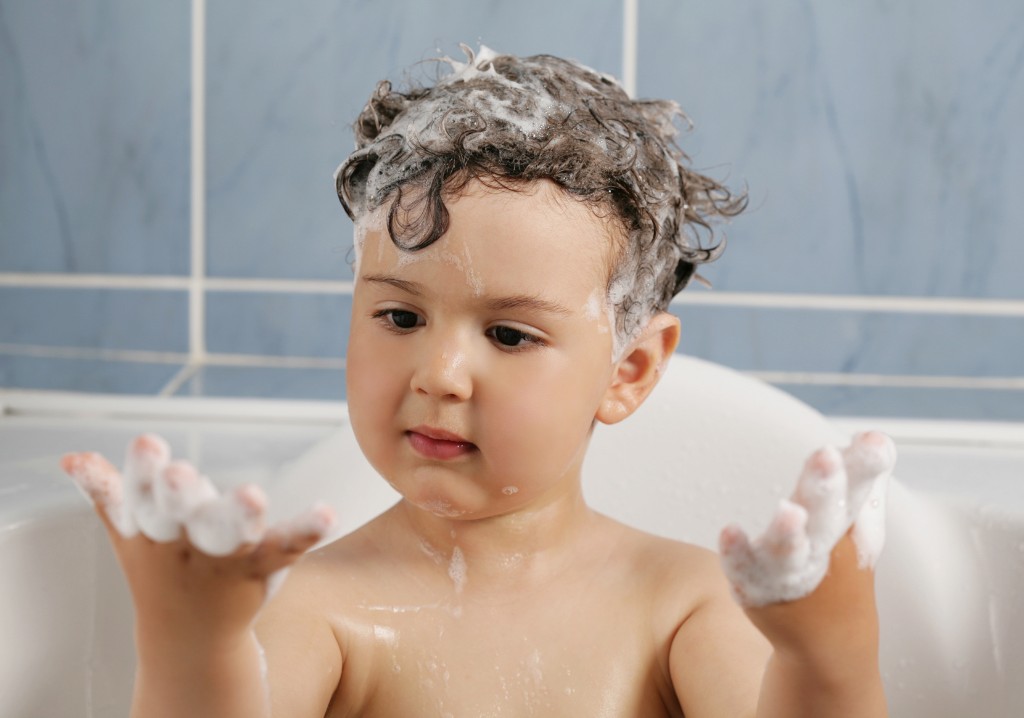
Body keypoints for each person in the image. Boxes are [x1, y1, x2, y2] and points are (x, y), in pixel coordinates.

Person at [61, 46, 894, 717]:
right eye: (400, 317)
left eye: (508, 333)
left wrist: (830, 662)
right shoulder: (317, 609)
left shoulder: (679, 605)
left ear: (627, 371)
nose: (440, 373)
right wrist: (192, 652)